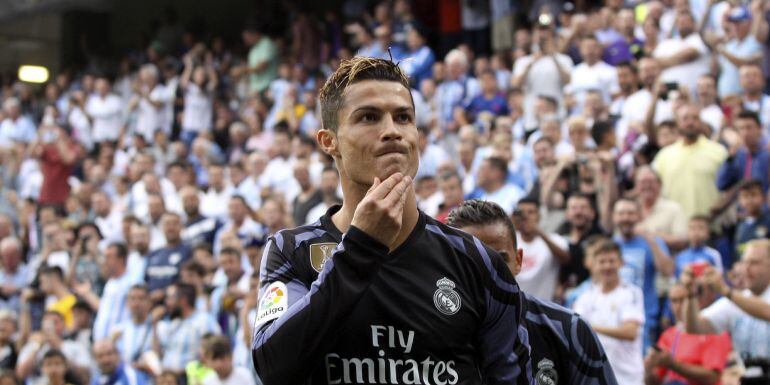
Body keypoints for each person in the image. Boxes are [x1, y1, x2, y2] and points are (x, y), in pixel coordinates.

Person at [252, 56, 531, 384]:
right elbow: (273, 365)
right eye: (369, 117)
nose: (392, 131)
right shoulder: (292, 250)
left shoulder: (477, 261)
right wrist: (360, 249)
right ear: (330, 141)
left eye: (403, 117)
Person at [447, 199, 619, 385]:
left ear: (518, 260)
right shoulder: (425, 331)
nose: (486, 273)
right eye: (470, 261)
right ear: (448, 266)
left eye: (499, 260)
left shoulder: (569, 331)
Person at [573, 238, 645, 385]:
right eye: (602, 261)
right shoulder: (585, 297)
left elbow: (630, 332)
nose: (607, 266)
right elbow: (574, 331)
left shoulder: (631, 293)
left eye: (612, 261)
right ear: (594, 265)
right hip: (595, 376)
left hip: (628, 378)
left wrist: (590, 326)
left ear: (621, 263)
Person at [683, 239, 770, 359]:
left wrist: (725, 290)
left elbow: (767, 312)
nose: (747, 268)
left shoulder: (734, 298)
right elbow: (694, 327)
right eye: (744, 262)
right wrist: (690, 294)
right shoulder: (736, 300)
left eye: (754, 263)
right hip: (747, 376)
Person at [613, 198, 674, 349]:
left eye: (630, 213)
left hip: (645, 317)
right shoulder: (611, 244)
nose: (626, 217)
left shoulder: (653, 242)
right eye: (621, 213)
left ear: (639, 216)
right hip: (615, 317)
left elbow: (668, 271)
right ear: (614, 217)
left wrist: (648, 238)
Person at [643, 284, 732, 385]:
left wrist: (673, 365)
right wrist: (649, 368)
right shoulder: (668, 335)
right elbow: (655, 380)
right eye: (674, 301)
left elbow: (712, 377)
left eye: (682, 300)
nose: (678, 306)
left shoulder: (714, 332)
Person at [652, 104, 728, 218]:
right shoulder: (664, 156)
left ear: (701, 122)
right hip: (675, 227)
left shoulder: (718, 152)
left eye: (695, 118)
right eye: (685, 118)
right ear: (677, 123)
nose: (690, 123)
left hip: (710, 223)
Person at [153, 283, 221, 378]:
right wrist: (154, 324)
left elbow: (214, 353)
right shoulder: (173, 323)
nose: (167, 303)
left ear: (183, 300)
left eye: (171, 298)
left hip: (191, 378)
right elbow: (159, 353)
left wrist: (182, 372)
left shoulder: (204, 320)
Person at [514, 198, 569, 301]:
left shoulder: (555, 239)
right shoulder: (509, 240)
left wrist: (539, 232)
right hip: (516, 305)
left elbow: (565, 259)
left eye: (531, 212)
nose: (526, 217)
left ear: (539, 216)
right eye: (521, 213)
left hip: (544, 307)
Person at [144, 213, 192, 303]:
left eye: (174, 224)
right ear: (162, 227)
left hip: (176, 305)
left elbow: (187, 282)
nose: (171, 228)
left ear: (181, 227)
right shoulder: (153, 254)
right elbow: (145, 281)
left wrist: (164, 293)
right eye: (167, 224)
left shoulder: (188, 251)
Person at [716, 111, 769, 193]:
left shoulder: (766, 155)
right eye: (741, 128)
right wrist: (730, 159)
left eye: (749, 127)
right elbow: (721, 184)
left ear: (759, 129)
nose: (745, 133)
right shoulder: (736, 156)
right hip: (741, 204)